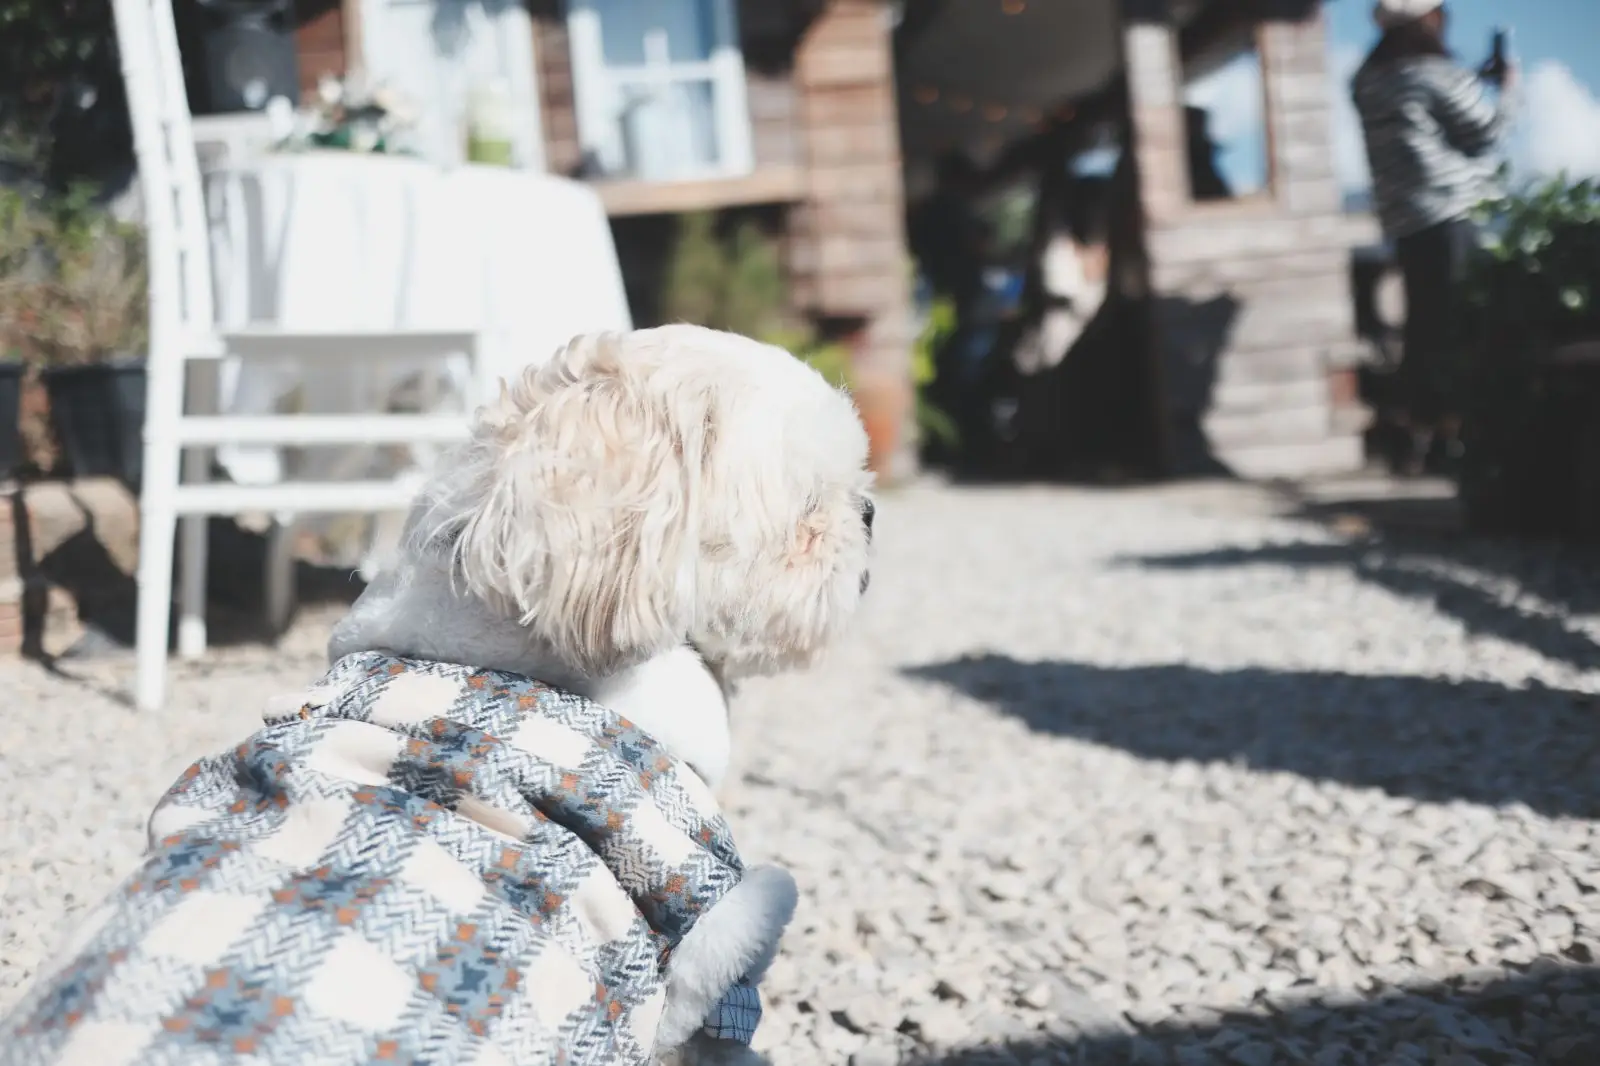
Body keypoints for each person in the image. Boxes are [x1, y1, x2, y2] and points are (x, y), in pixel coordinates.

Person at [1351, 0, 1517, 474]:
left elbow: (1419, 117)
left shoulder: (1366, 80)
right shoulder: (1431, 71)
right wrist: (1506, 87)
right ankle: (1456, 436)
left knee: (1425, 329)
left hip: (1405, 222)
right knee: (1463, 329)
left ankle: (1420, 436)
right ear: (1431, 20)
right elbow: (1486, 131)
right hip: (1453, 216)